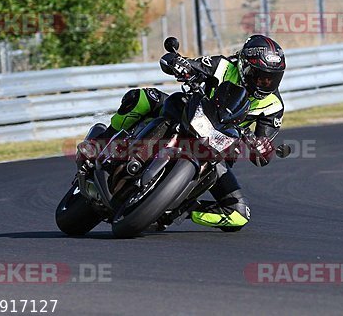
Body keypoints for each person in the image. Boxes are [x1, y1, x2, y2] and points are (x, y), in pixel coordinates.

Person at [75, 34, 286, 231]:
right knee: (143, 98)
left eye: (270, 79)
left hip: (217, 150)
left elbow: (262, 151)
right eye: (258, 76)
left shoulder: (273, 106)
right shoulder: (222, 66)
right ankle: (100, 143)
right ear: (243, 66)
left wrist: (263, 149)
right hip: (191, 116)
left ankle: (177, 208)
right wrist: (180, 63)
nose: (264, 83)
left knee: (238, 215)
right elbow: (186, 64)